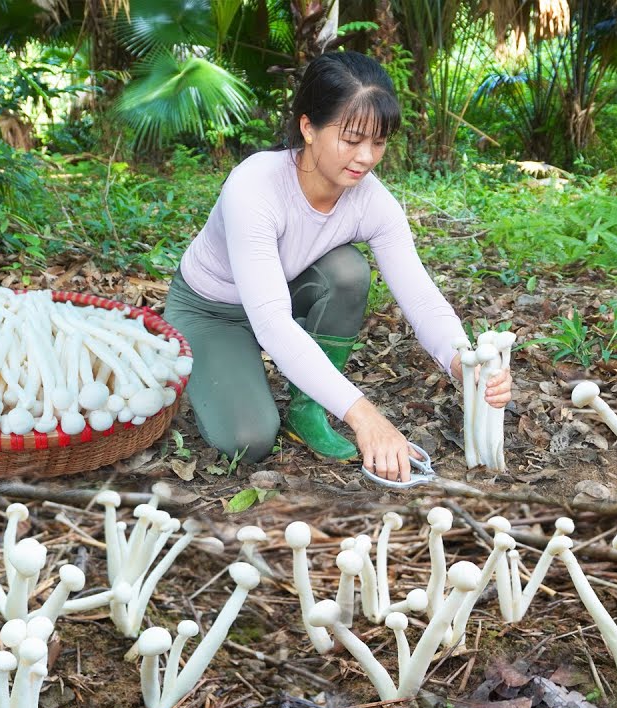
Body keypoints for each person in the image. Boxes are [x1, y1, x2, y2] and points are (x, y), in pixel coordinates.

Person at [164, 51, 511, 482]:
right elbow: (272, 323)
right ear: (308, 128)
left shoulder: (371, 200)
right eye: (351, 139)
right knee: (248, 440)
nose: (366, 157)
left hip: (283, 292)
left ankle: (307, 409)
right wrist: (365, 418)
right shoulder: (254, 187)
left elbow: (420, 296)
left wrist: (463, 363)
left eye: (378, 143)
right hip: (212, 311)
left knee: (347, 271)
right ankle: (221, 363)